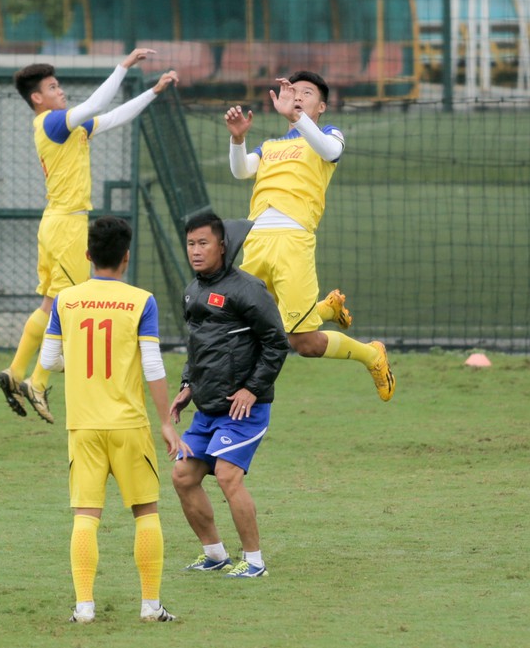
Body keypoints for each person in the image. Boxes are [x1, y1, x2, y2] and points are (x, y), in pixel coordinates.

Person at [0, 49, 179, 423]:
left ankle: (16, 373)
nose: (60, 91)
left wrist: (153, 92)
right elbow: (98, 102)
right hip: (66, 228)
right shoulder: (51, 122)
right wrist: (124, 66)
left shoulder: (68, 127)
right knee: (69, 307)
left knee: (51, 305)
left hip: (56, 224)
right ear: (37, 98)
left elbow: (111, 116)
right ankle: (38, 380)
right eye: (53, 86)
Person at [38, 215, 191, 623]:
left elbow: (49, 360)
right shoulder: (142, 300)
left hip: (83, 426)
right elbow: (153, 364)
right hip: (129, 425)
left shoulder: (66, 301)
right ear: (126, 258)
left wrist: (83, 367)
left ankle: (84, 607)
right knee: (146, 511)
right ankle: (150, 606)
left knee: (86, 515)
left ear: (88, 255)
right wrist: (165, 422)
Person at [224, 71, 396, 402]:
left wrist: (297, 118)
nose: (299, 96)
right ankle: (327, 308)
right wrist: (237, 140)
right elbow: (241, 170)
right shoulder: (270, 145)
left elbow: (331, 152)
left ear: (322, 107)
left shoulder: (328, 135)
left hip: (292, 241)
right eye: (295, 91)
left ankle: (371, 354)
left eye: (307, 93)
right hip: (256, 241)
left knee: (304, 343)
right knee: (243, 326)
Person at [170, 212, 289, 578]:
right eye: (191, 244)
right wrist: (187, 386)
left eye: (203, 243)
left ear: (222, 246)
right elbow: (199, 347)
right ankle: (215, 554)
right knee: (182, 476)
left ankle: (254, 563)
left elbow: (277, 343)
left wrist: (252, 389)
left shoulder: (248, 289)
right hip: (207, 409)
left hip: (244, 411)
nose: (196, 251)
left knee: (227, 474)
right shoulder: (193, 290)